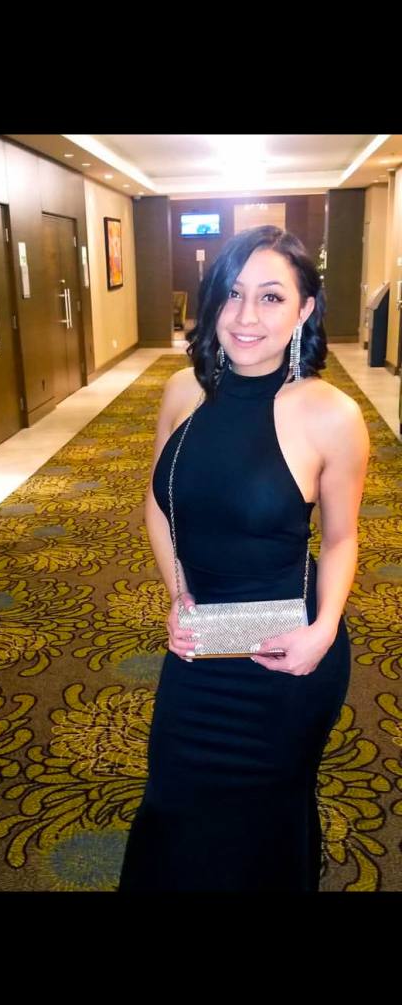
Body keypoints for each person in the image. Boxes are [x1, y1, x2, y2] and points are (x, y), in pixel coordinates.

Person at [118, 225, 370, 892]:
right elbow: (158, 503)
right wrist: (178, 596)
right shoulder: (184, 392)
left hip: (287, 650)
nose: (246, 316)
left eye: (270, 297)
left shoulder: (331, 414)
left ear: (304, 308)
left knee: (266, 817)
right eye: (232, 294)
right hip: (203, 643)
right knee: (173, 804)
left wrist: (323, 630)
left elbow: (341, 538)